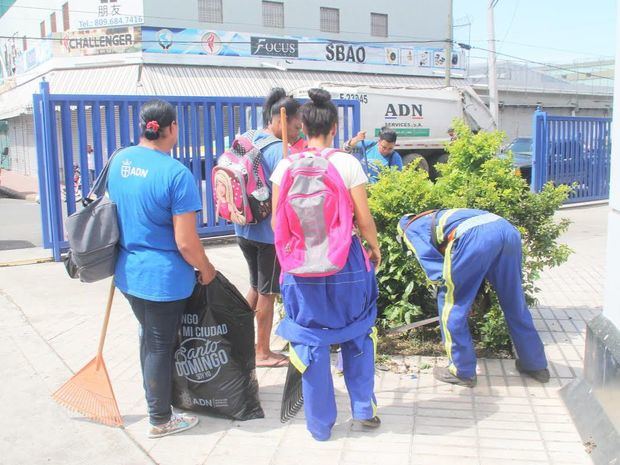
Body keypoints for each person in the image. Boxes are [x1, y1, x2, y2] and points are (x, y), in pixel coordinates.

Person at [270, 88, 382, 441]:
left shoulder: (286, 165)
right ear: (334, 126)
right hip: (345, 262)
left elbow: (277, 222)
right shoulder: (347, 163)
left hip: (300, 267)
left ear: (302, 127)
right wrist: (374, 248)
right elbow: (362, 219)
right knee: (357, 332)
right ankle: (363, 409)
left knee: (310, 341)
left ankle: (320, 426)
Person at [107, 100, 217, 438]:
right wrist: (206, 267)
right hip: (162, 280)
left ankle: (158, 400)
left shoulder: (120, 160)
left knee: (149, 337)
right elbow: (186, 243)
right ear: (171, 129)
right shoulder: (175, 174)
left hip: (127, 273)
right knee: (158, 344)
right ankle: (160, 419)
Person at [397, 208, 550, 387]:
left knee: (450, 305)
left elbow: (435, 268)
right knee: (514, 301)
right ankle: (535, 365)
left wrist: (457, 292)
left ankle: (462, 371)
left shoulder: (409, 228)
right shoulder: (437, 216)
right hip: (506, 230)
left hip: (477, 237)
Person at [236, 87, 301, 368]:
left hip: (243, 228)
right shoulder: (278, 152)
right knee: (267, 292)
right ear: (281, 121)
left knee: (254, 286)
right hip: (267, 235)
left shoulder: (247, 138)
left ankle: (237, 339)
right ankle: (262, 351)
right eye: (296, 125)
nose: (298, 131)